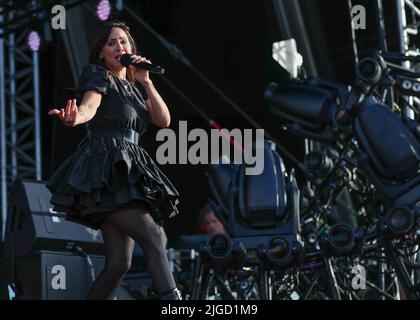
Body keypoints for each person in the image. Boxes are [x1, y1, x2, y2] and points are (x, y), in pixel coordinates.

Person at [46, 21, 181, 300]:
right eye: (112, 43)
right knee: (154, 237)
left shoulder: (133, 87)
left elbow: (163, 121)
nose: (120, 47)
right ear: (101, 53)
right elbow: (89, 107)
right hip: (109, 164)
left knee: (120, 263)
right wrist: (75, 118)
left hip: (130, 163)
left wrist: (146, 81)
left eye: (124, 42)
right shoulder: (98, 75)